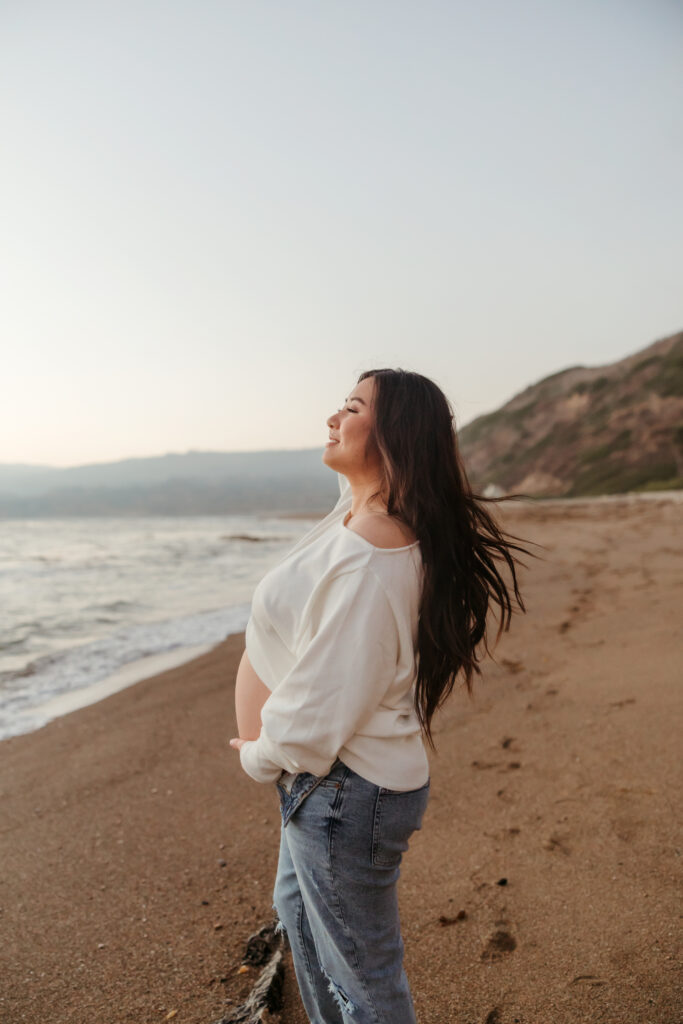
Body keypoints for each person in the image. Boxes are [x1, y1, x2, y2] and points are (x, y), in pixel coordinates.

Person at [229, 368, 530, 1023]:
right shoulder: (359, 517)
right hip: (330, 784)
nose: (333, 419)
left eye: (352, 407)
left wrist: (258, 753)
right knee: (300, 920)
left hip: (335, 784)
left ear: (393, 434)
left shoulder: (369, 551)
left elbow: (320, 708)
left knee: (364, 980)